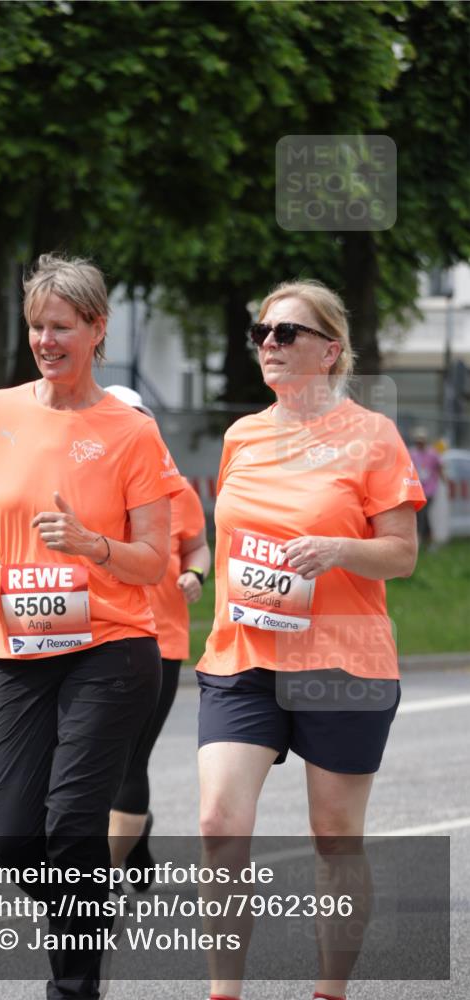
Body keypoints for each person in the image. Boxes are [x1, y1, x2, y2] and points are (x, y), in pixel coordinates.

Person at [0, 254, 183, 1000]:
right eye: (35, 327)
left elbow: (155, 561)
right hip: (19, 645)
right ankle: (88, 921)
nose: (45, 341)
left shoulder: (130, 432)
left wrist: (93, 546)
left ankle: (74, 986)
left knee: (71, 827)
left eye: (61, 327)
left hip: (112, 650)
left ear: (96, 329)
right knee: (16, 840)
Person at [196, 280, 426, 1000]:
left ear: (329, 350)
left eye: (287, 332)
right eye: (263, 331)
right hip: (244, 656)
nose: (269, 343)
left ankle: (329, 990)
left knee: (333, 837)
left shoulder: (372, 436)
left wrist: (335, 549)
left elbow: (400, 553)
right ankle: (222, 993)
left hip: (343, 661)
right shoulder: (242, 436)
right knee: (217, 823)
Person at [102, 385, 211, 876]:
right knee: (88, 761)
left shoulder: (176, 489)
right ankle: (134, 835)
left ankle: (93, 883)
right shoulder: (83, 482)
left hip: (159, 639)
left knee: (130, 757)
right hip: (93, 636)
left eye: (139, 420)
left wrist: (196, 574)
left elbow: (198, 547)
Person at [409, 426, 444, 546]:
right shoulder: (412, 453)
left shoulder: (432, 453)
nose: (420, 443)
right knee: (421, 514)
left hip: (430, 489)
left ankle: (423, 538)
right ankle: (427, 538)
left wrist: (444, 480)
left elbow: (440, 467)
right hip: (417, 489)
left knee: (423, 514)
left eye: (421, 440)